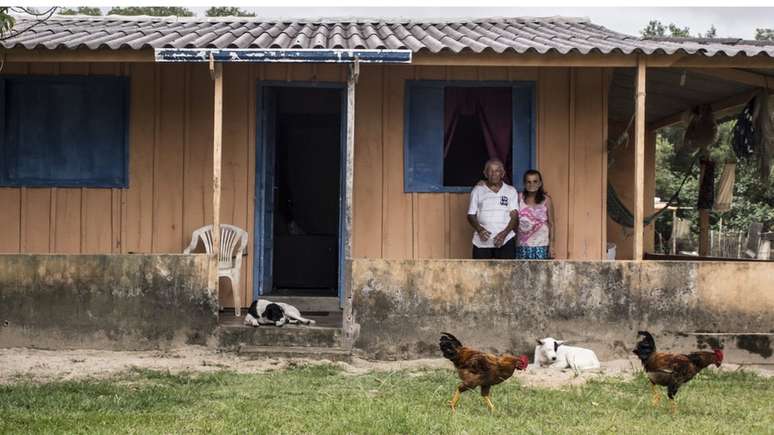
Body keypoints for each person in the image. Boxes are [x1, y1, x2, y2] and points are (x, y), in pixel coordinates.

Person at [467, 159, 519, 259]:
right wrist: (480, 229)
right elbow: (470, 215)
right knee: (481, 273)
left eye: (497, 170)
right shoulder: (478, 190)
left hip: (506, 239)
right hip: (481, 242)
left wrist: (504, 234)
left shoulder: (511, 191)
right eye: (490, 171)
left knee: (506, 272)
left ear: (502, 173)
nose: (494, 174)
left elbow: (514, 216)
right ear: (485, 174)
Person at [515, 169, 555, 259]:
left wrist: (552, 245)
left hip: (542, 244)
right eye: (528, 182)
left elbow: (552, 224)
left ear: (540, 183)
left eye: (535, 181)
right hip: (523, 245)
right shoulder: (519, 198)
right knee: (523, 272)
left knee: (541, 272)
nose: (531, 184)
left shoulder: (546, 200)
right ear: (524, 184)